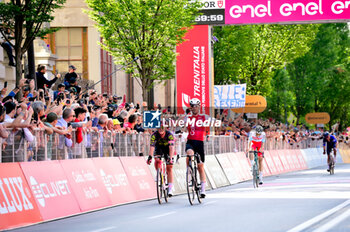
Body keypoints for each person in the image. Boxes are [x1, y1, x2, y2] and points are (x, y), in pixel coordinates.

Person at [185, 98, 209, 198]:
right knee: (189, 154)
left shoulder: (204, 117)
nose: (194, 107)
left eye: (196, 106)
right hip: (190, 141)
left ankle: (203, 190)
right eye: (192, 106)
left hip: (199, 142)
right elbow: (182, 125)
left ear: (199, 107)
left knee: (200, 167)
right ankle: (189, 170)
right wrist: (186, 116)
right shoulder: (188, 117)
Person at [147, 122, 175, 197]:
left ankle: (170, 188)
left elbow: (171, 147)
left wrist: (171, 158)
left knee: (169, 168)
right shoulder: (154, 135)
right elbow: (152, 147)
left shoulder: (170, 135)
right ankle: (159, 172)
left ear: (165, 128)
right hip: (159, 148)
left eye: (162, 128)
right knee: (156, 159)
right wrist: (150, 157)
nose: (160, 130)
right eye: (159, 128)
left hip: (167, 149)